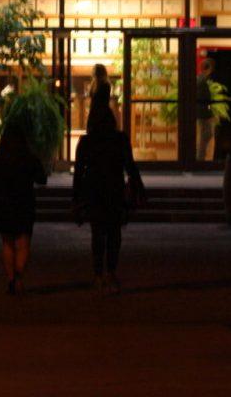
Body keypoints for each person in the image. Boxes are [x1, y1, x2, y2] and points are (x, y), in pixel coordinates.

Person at [73, 63, 145, 295]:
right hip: (114, 188)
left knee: (98, 233)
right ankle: (111, 272)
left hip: (94, 189)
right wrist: (138, 187)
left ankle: (97, 274)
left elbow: (79, 172)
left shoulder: (87, 142)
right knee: (114, 233)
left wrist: (76, 199)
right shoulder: (120, 139)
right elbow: (130, 166)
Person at [0, 123, 47, 295]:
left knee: (7, 243)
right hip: (24, 203)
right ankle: (18, 276)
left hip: (3, 205)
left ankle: (11, 279)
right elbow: (42, 178)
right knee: (23, 243)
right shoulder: (28, 158)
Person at [196, 57, 217, 161]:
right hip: (203, 114)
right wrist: (211, 113)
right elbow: (205, 100)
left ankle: (200, 157)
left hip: (200, 113)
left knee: (204, 136)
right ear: (209, 69)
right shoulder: (202, 81)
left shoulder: (198, 79)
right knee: (206, 135)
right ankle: (200, 158)